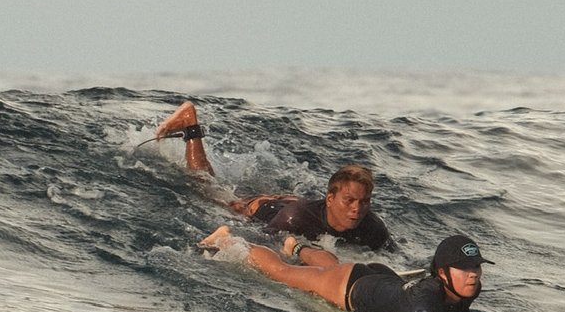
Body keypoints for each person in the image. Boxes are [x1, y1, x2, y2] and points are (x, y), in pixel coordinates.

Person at [201, 229, 490, 312]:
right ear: (442, 273)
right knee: (281, 272)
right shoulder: (430, 291)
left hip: (384, 279)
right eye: (464, 268)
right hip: (349, 288)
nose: (473, 275)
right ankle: (226, 239)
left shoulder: (468, 290)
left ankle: (297, 246)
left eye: (476, 267)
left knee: (330, 265)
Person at [154, 98, 392, 251]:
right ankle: (190, 123)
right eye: (349, 200)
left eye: (364, 202)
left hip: (292, 203)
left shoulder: (373, 227)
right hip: (264, 208)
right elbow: (257, 243)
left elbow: (395, 256)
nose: (357, 209)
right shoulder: (295, 219)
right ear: (330, 199)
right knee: (205, 187)